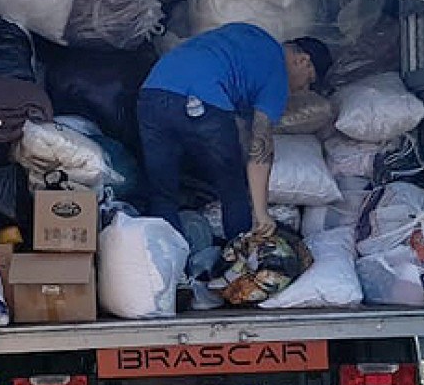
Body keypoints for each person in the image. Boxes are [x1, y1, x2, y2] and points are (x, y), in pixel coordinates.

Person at [137, 23, 331, 241]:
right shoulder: (277, 71)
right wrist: (261, 213)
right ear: (303, 61)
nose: (303, 90)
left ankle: (167, 264)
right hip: (200, 101)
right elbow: (260, 142)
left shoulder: (249, 36)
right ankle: (238, 258)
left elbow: (243, 128)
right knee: (233, 188)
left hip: (151, 93)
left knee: (163, 194)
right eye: (309, 81)